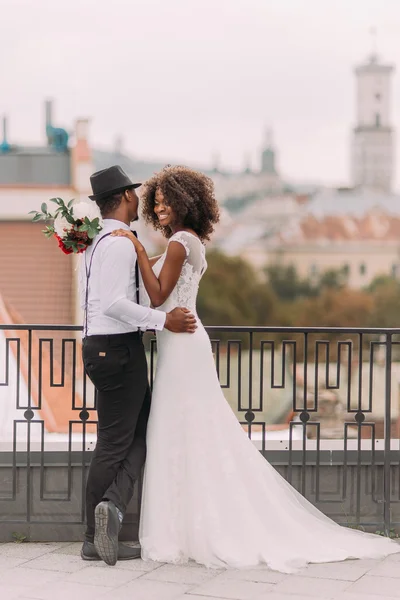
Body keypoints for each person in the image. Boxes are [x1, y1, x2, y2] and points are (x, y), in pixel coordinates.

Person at [111, 164, 400, 573]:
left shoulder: (179, 242)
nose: (159, 209)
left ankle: (179, 530)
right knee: (188, 428)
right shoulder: (188, 242)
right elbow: (159, 275)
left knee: (177, 427)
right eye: (155, 203)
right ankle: (188, 525)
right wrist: (136, 251)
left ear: (184, 203)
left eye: (165, 202)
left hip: (180, 344)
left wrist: (137, 248)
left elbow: (157, 297)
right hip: (183, 345)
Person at [79, 165, 197, 566]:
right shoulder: (118, 243)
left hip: (105, 347)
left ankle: (106, 516)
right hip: (116, 350)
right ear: (127, 197)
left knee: (134, 436)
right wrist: (163, 321)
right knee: (116, 443)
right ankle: (95, 533)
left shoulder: (101, 242)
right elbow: (114, 304)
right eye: (135, 195)